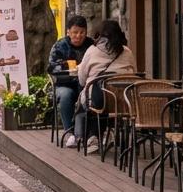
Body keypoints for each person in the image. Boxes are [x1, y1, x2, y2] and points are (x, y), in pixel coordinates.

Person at [74, 20, 137, 148]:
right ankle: (111, 133)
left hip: (98, 100)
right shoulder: (127, 52)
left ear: (99, 34)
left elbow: (81, 79)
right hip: (124, 100)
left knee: (84, 97)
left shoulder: (92, 51)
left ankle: (91, 135)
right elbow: (134, 74)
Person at [47, 15, 94, 147]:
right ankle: (69, 132)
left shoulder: (91, 45)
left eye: (82, 32)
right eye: (75, 32)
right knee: (66, 95)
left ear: (86, 32)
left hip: (85, 84)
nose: (78, 36)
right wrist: (68, 67)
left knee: (94, 94)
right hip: (64, 83)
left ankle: (91, 133)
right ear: (68, 32)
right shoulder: (60, 46)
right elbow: (51, 67)